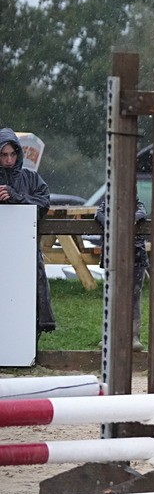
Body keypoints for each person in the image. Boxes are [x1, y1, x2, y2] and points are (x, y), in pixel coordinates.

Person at [0, 129, 56, 338]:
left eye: (12, 154)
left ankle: (30, 343)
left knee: (29, 295)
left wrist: (18, 198)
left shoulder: (31, 178)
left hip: (24, 250)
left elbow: (44, 203)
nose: (9, 159)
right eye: (3, 155)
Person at [94, 192, 149, 351]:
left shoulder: (137, 205)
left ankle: (133, 336)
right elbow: (98, 214)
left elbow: (141, 213)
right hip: (114, 255)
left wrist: (126, 221)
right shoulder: (108, 203)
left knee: (134, 296)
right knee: (112, 296)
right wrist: (112, 224)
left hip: (136, 256)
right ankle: (109, 335)